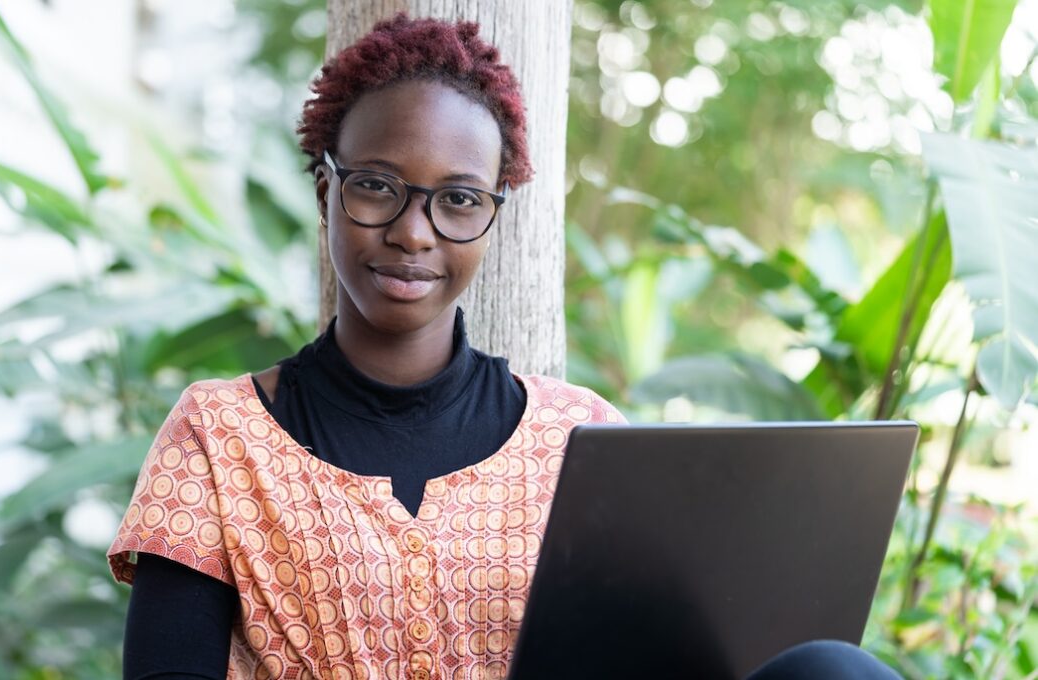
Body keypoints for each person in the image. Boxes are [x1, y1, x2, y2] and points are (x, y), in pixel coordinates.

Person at [108, 14, 901, 680]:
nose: (413, 232)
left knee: (833, 670)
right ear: (328, 190)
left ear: (491, 218)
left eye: (458, 200)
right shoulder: (218, 438)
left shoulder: (581, 439)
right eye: (377, 185)